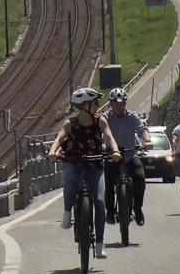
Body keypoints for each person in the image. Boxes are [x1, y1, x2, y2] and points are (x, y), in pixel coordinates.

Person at [48, 88, 120, 259]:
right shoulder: (70, 123)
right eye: (95, 103)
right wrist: (53, 151)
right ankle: (67, 212)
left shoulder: (100, 121)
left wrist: (115, 151)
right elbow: (59, 138)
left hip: (95, 164)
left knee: (100, 202)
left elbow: (109, 137)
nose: (98, 106)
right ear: (85, 105)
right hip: (75, 161)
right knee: (70, 182)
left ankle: (100, 244)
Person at [103, 88, 153, 226]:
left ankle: (137, 209)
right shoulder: (105, 117)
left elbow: (142, 129)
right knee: (107, 183)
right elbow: (98, 130)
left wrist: (147, 141)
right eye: (116, 104)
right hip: (111, 156)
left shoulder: (132, 116)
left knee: (140, 178)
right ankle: (110, 212)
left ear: (125, 104)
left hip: (130, 155)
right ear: (111, 104)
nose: (119, 106)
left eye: (122, 103)